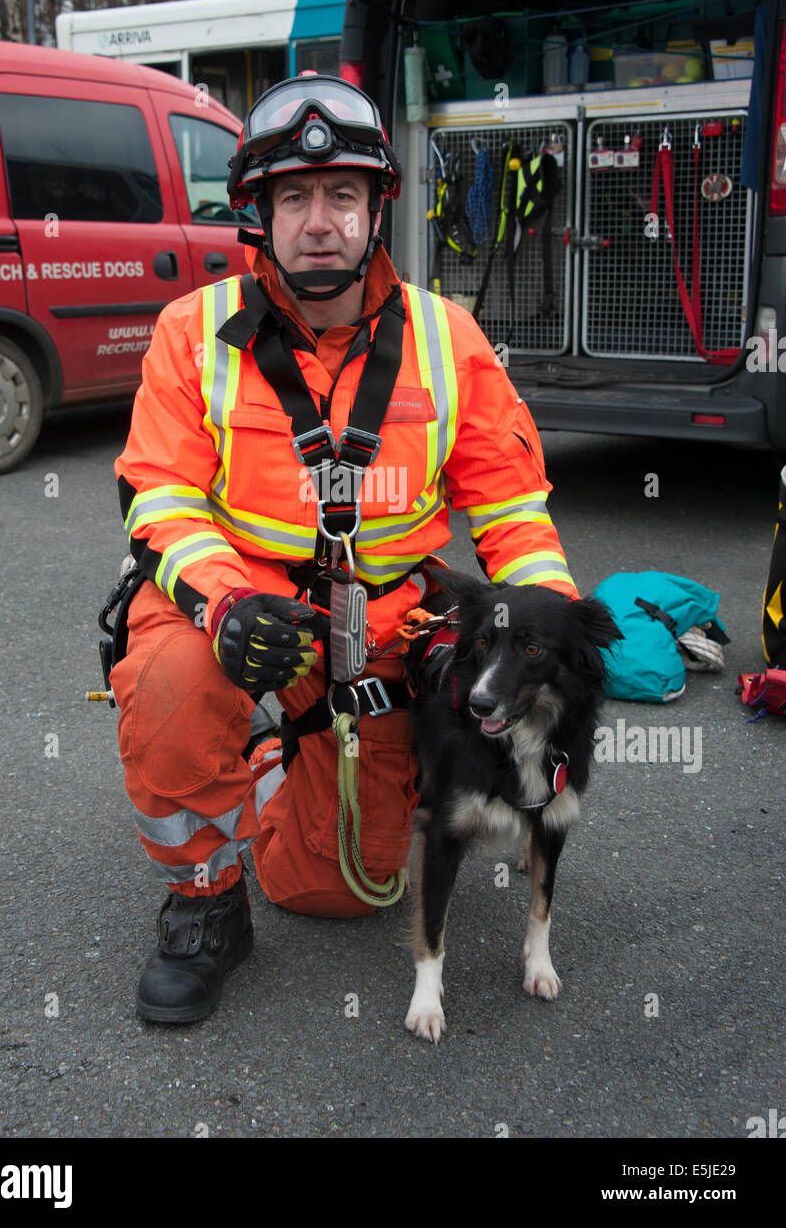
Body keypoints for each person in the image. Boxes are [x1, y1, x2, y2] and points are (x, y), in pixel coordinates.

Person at [109, 73, 579, 1024]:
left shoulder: (449, 340)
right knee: (167, 677)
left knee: (333, 891)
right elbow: (154, 491)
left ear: (375, 212)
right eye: (293, 197)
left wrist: (555, 644)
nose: (317, 221)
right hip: (244, 610)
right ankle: (203, 904)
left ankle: (284, 758)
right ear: (258, 213)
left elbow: (511, 508)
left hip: (389, 628)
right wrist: (222, 604)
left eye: (341, 196)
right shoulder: (190, 332)